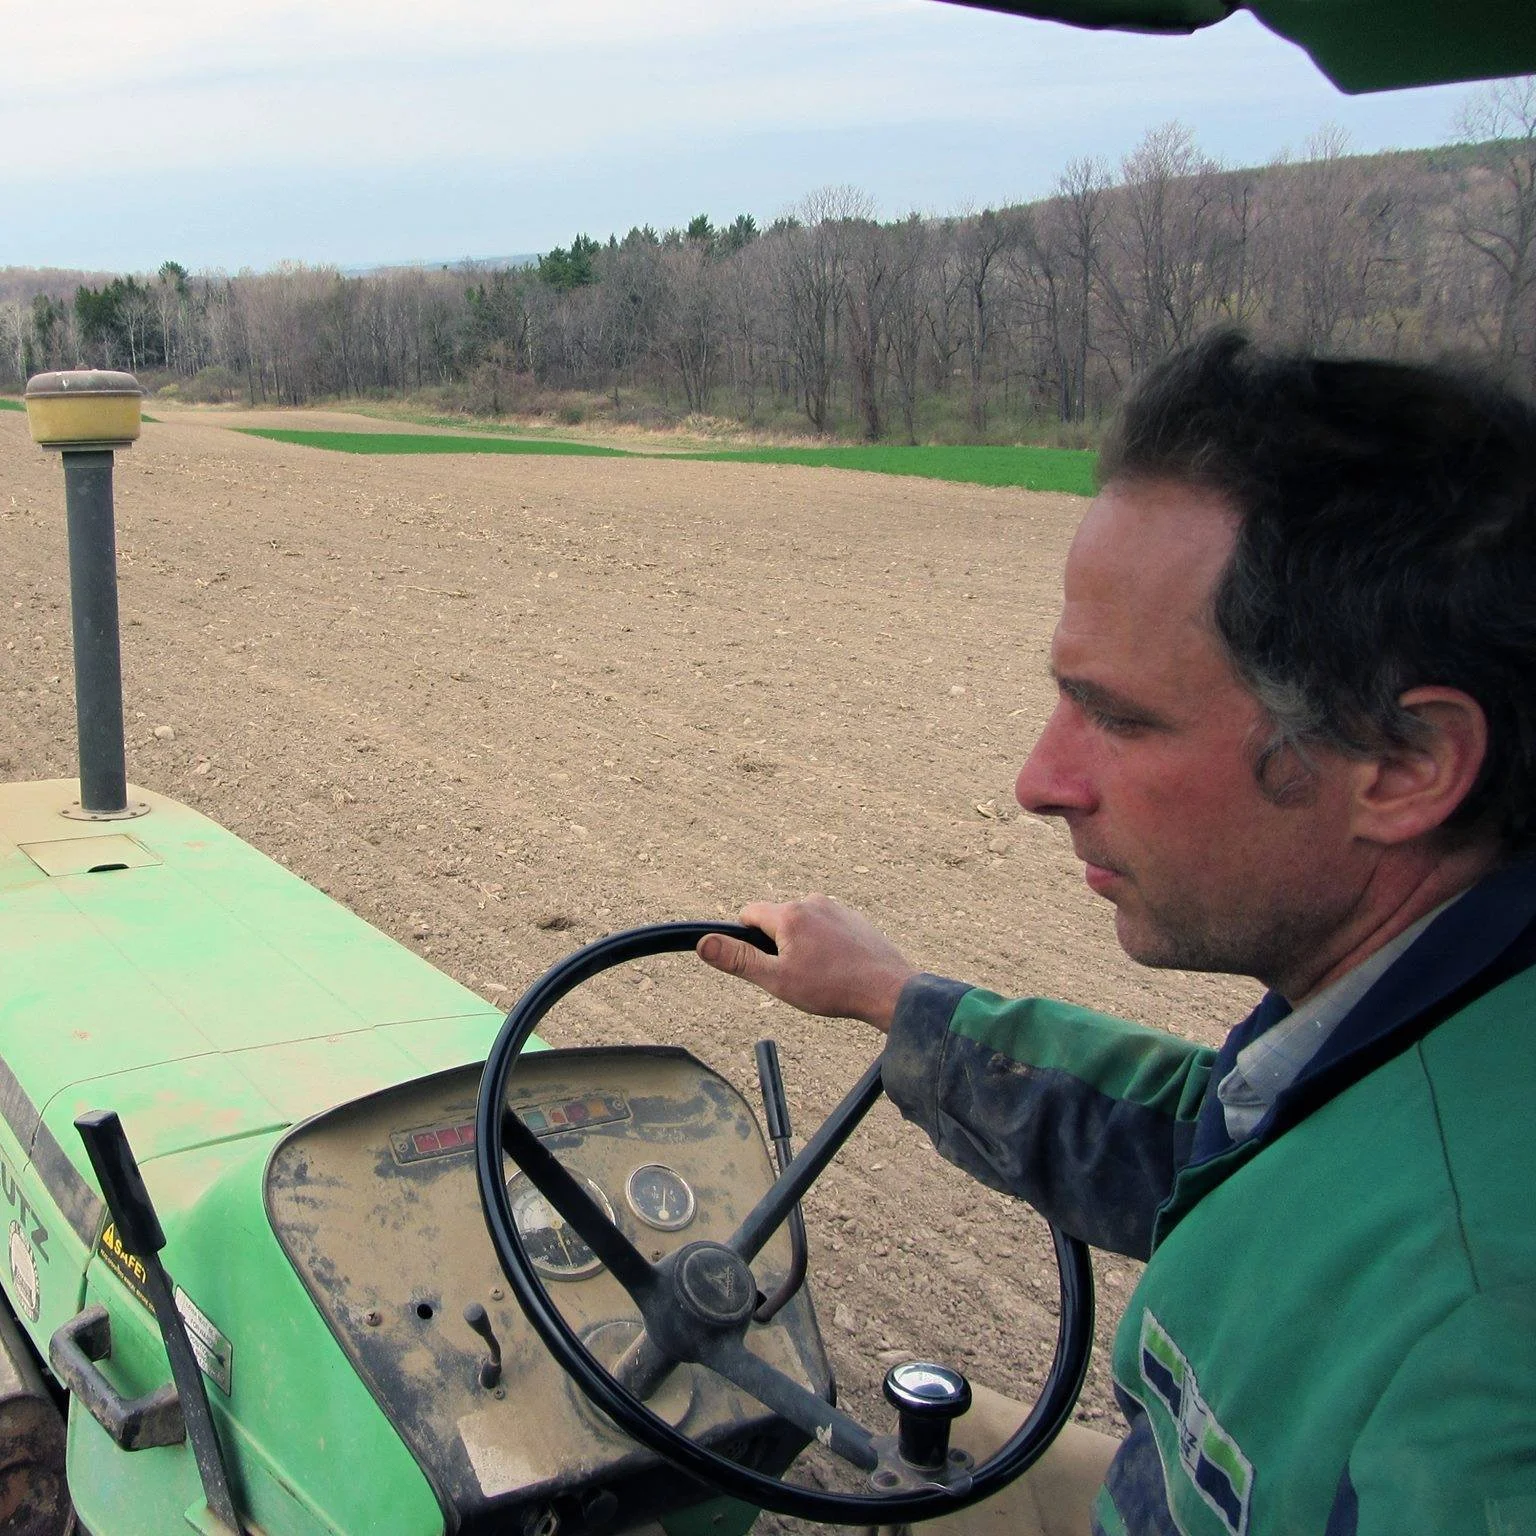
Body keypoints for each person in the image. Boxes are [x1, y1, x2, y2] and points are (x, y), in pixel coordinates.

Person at [696, 331, 1536, 1536]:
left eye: (1120, 720)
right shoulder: (1420, 1010)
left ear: (1405, 767)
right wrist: (897, 1000)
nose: (1040, 779)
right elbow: (1200, 1137)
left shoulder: (1476, 1359)